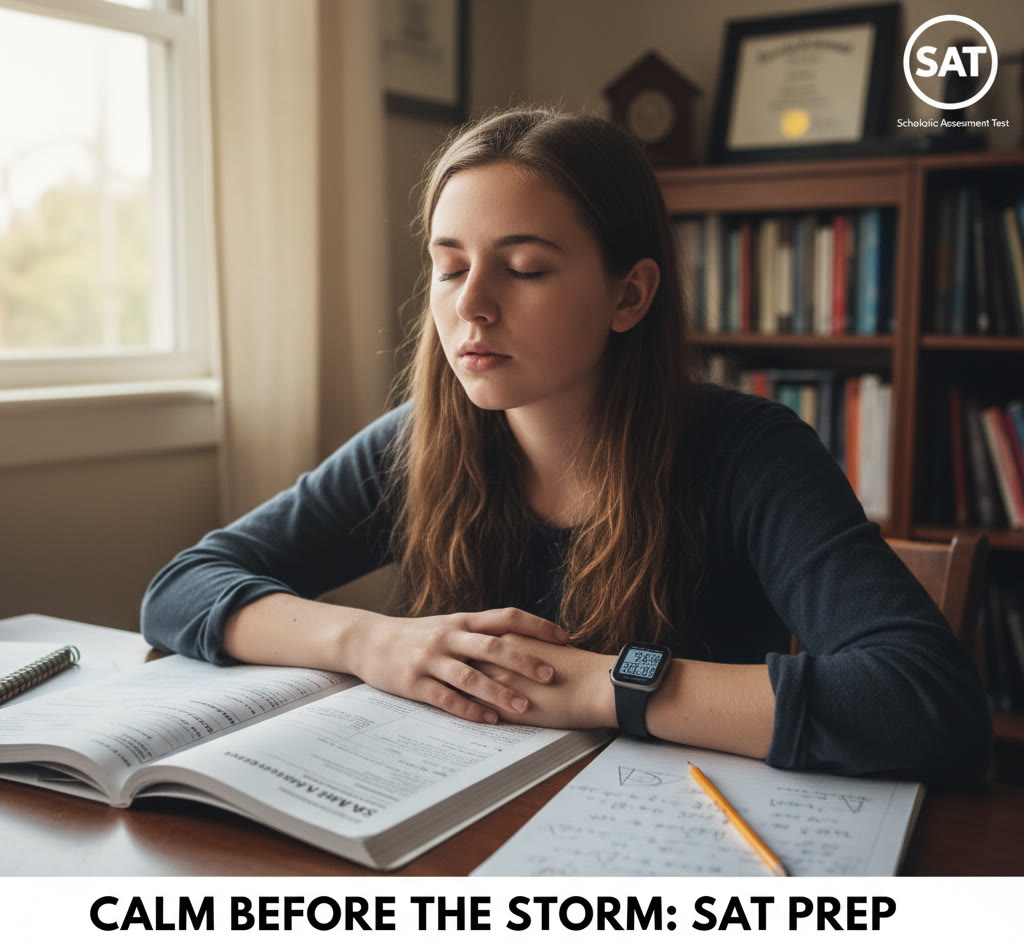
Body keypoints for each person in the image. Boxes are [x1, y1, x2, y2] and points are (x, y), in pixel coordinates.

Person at [142, 105, 991, 783]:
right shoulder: (417, 443)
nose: (471, 305)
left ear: (629, 294)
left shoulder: (747, 452)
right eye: (450, 266)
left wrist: (599, 682)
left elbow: (924, 699)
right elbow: (182, 589)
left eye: (525, 268)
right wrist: (372, 642)